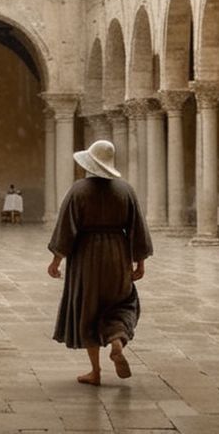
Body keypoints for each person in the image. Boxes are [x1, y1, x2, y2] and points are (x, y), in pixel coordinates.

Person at [47, 139, 153, 386]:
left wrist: (56, 260)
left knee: (89, 309)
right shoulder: (125, 190)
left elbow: (66, 228)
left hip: (86, 257)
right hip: (117, 254)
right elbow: (138, 227)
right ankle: (117, 338)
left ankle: (95, 371)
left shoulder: (78, 191)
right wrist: (140, 262)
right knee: (122, 302)